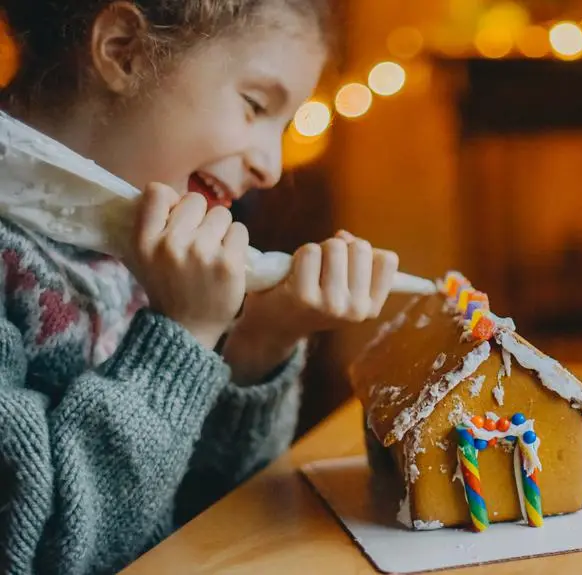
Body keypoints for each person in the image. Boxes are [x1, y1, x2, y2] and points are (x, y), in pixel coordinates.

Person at [0, 1, 400, 573]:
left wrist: (261, 342)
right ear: (123, 50)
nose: (272, 165)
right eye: (255, 105)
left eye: (283, 126)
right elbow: (37, 549)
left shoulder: (138, 225)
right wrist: (183, 338)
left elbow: (204, 518)